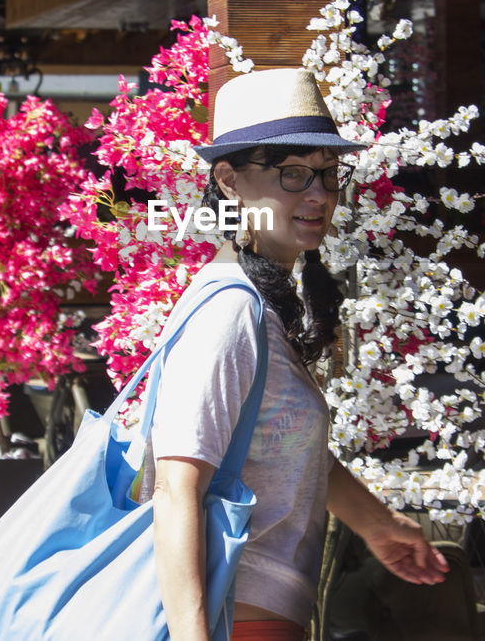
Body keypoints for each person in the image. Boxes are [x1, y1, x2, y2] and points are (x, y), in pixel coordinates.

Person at [144, 67, 448, 641]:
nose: (319, 195)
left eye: (329, 174)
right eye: (292, 174)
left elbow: (279, 449)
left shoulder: (260, 300)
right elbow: (174, 484)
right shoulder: (228, 312)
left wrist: (377, 524)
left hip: (257, 608)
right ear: (229, 180)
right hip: (236, 612)